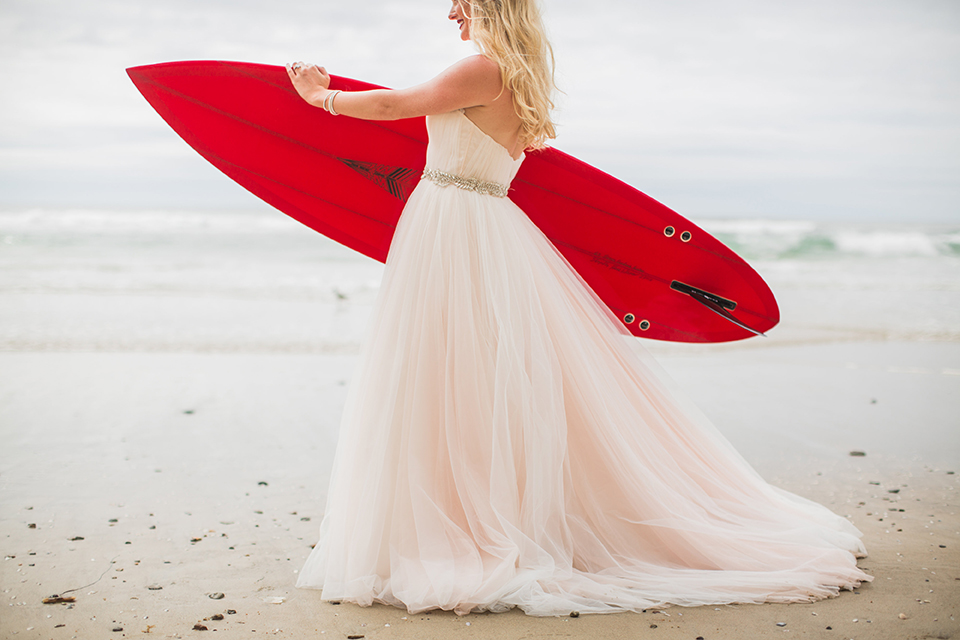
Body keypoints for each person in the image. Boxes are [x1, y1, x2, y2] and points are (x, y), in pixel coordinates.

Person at [287, 0, 871, 617]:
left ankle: (465, 524)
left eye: (461, 1)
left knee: (447, 369)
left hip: (457, 227)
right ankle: (465, 511)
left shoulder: (482, 69)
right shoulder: (520, 74)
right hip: (477, 224)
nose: (451, 12)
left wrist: (318, 97)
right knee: (467, 372)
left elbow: (390, 106)